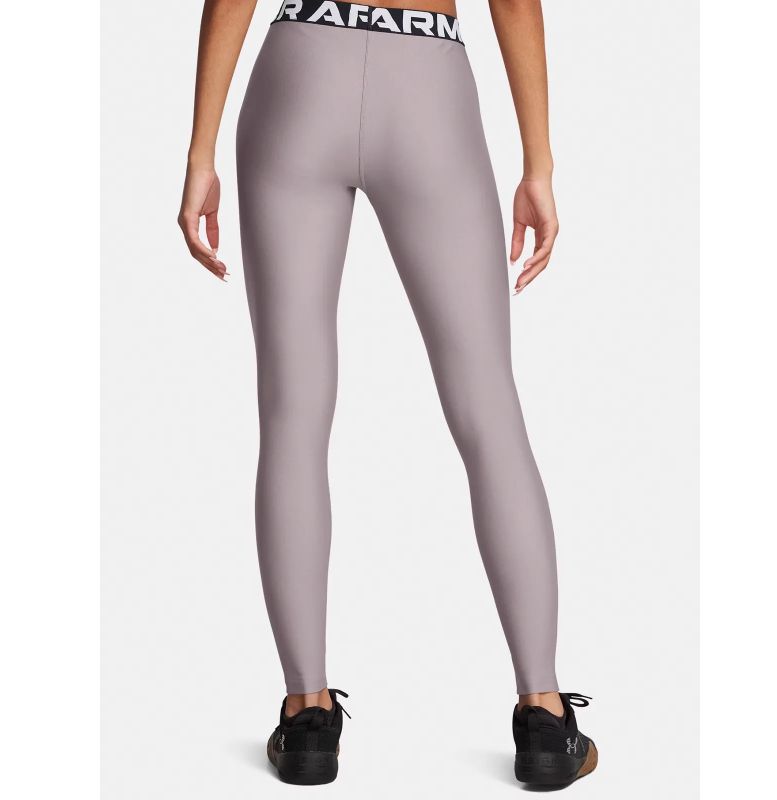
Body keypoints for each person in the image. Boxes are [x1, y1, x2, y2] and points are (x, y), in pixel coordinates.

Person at [178, 0, 597, 788]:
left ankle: (307, 716)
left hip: (300, 65)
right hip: (427, 77)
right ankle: (544, 715)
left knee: (293, 411)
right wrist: (538, 164)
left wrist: (200, 149)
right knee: (487, 409)